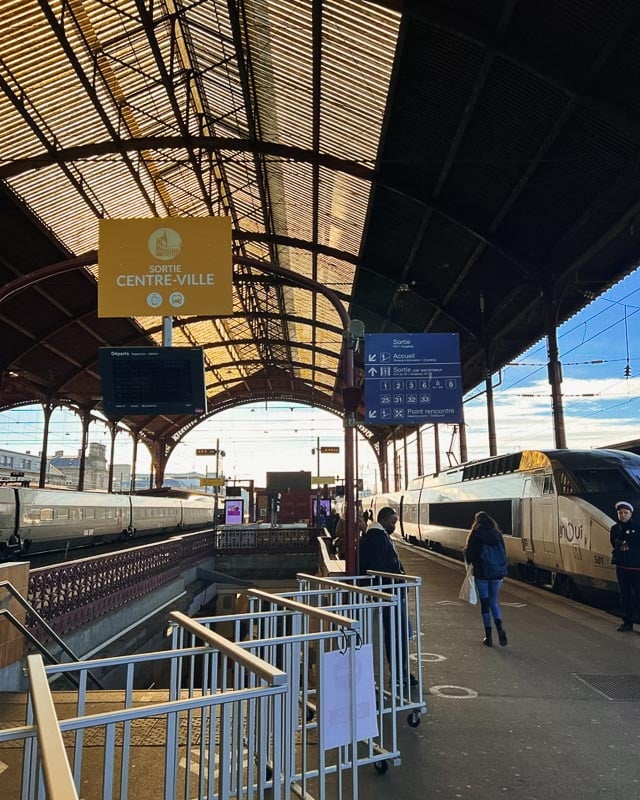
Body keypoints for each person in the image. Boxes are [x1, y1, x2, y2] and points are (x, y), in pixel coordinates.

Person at [358, 506, 417, 686]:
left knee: (398, 633)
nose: (394, 526)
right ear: (383, 520)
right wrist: (398, 582)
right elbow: (382, 567)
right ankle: (400, 674)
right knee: (396, 634)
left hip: (388, 593)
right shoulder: (377, 539)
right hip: (388, 594)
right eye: (392, 522)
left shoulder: (377, 537)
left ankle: (401, 672)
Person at [464, 510, 508, 647]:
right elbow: (503, 554)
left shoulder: (475, 534)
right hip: (496, 573)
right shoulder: (497, 534)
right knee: (494, 601)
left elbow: (470, 556)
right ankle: (500, 628)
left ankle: (488, 637)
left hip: (481, 573)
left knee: (485, 604)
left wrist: (466, 554)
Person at [609, 500, 640, 632]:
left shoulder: (638, 528)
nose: (622, 515)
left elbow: (631, 544)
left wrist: (624, 543)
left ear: (630, 514)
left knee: (639, 595)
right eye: (620, 513)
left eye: (625, 513)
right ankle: (627, 622)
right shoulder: (615, 529)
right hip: (622, 568)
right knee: (625, 595)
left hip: (637, 568)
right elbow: (614, 542)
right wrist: (622, 543)